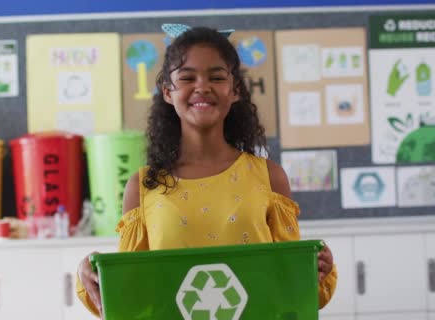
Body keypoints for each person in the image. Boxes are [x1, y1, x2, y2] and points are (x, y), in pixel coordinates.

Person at [76, 24, 337, 318]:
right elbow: (133, 296)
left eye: (216, 77)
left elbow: (290, 290)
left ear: (235, 89)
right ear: (167, 92)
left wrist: (317, 270)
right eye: (187, 78)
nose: (202, 86)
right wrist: (93, 274)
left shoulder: (270, 177)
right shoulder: (143, 187)